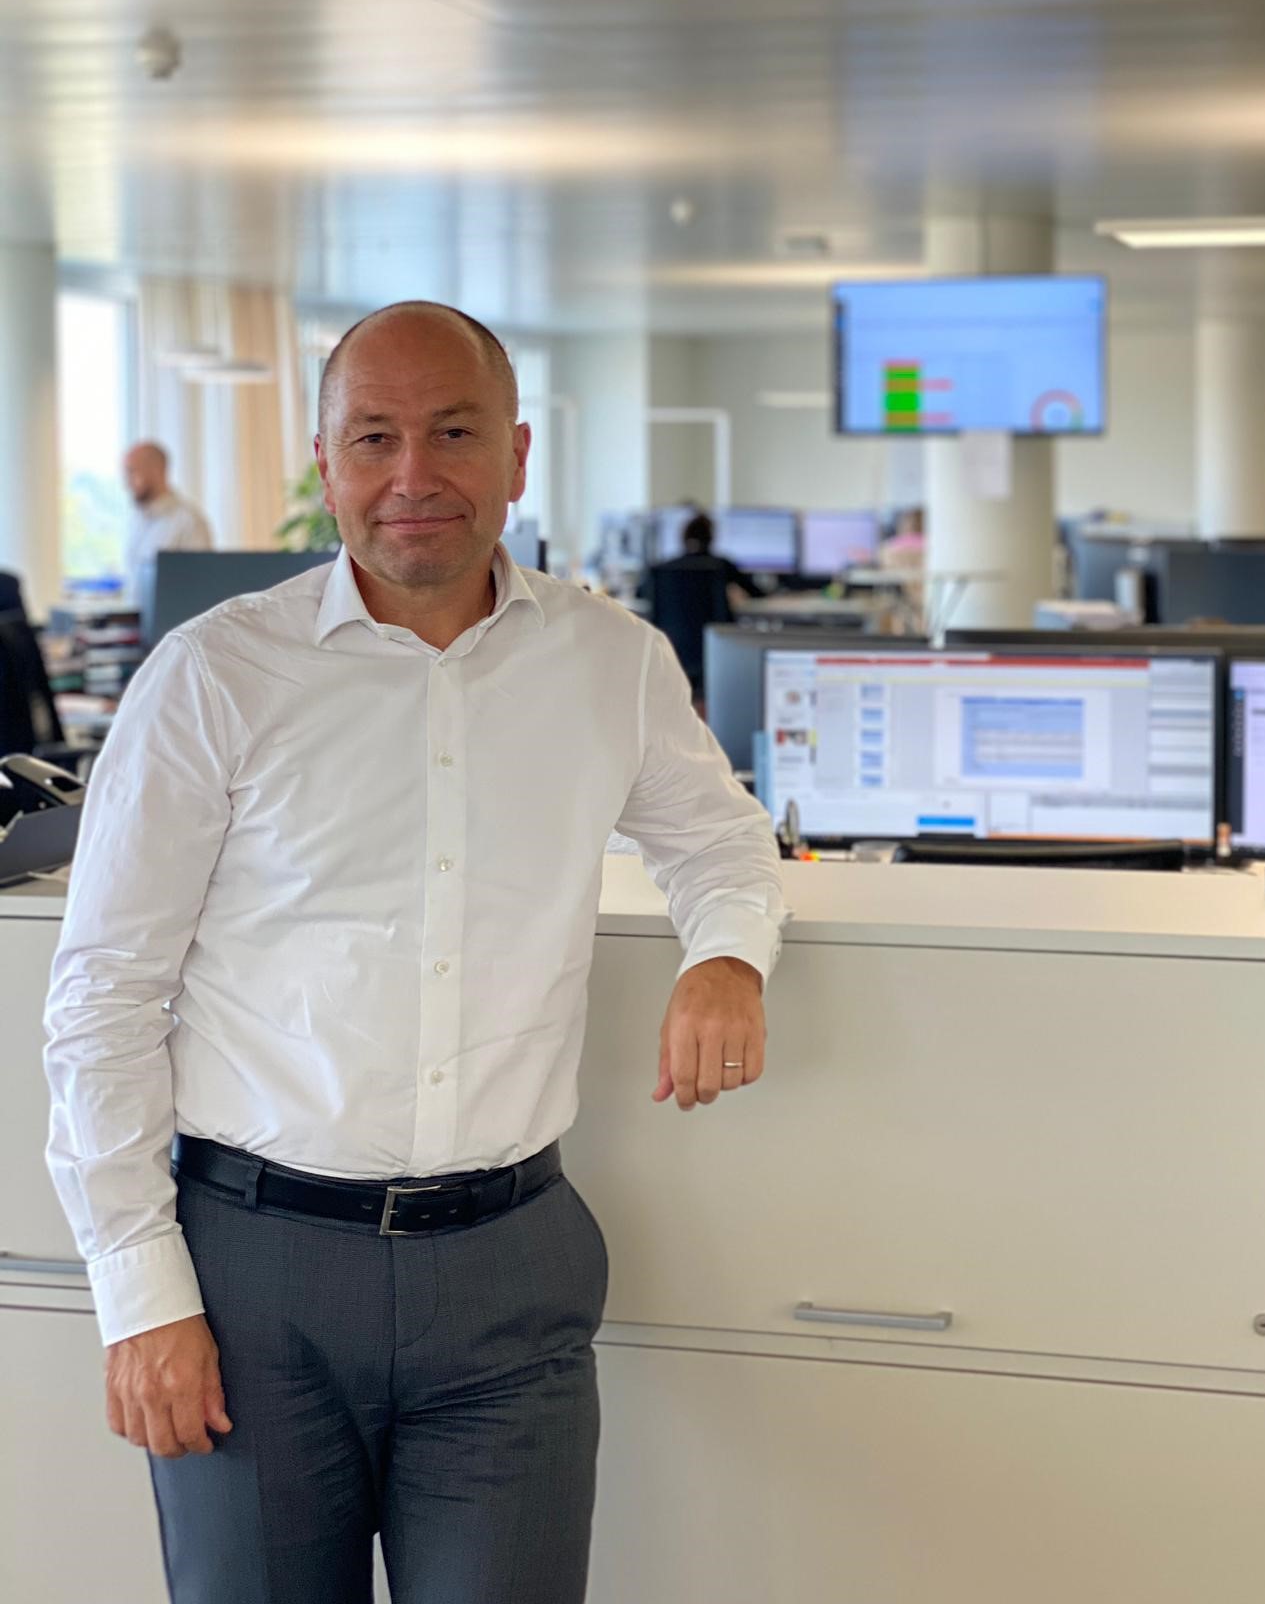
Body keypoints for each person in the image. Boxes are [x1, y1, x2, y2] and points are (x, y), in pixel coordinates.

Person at [45, 302, 785, 1604]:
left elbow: (722, 843)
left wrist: (726, 956)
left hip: (511, 1271)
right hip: (253, 1274)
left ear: (518, 452)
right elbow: (105, 995)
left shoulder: (610, 661)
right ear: (325, 463)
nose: (413, 475)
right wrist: (142, 1295)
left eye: (454, 432)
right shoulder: (216, 675)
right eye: (374, 437)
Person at [645, 511, 764, 700]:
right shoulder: (721, 565)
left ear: (683, 537)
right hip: (715, 647)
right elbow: (757, 593)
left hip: (672, 647)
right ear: (711, 538)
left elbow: (641, 594)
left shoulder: (662, 568)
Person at [123, 442, 214, 582]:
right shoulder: (135, 521)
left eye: (132, 472)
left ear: (156, 470)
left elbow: (201, 582)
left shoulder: (189, 522)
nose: (127, 483)